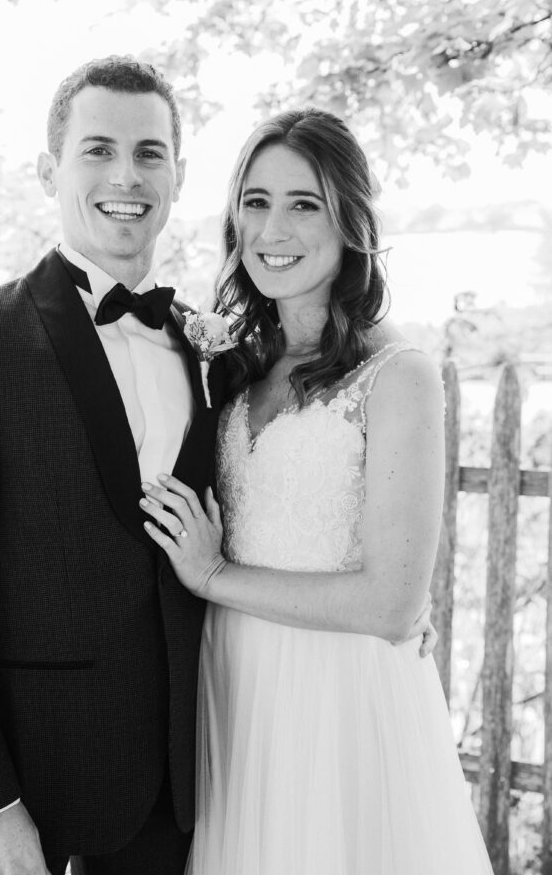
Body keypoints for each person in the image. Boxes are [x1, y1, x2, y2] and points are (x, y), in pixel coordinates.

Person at [0, 56, 227, 875]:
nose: (126, 175)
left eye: (149, 153)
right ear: (49, 171)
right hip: (19, 806)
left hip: (176, 804)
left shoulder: (209, 346)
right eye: (98, 150)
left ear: (177, 176)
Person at [140, 108, 495, 874]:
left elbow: (391, 604)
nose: (273, 228)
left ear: (349, 220)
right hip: (234, 691)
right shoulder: (232, 366)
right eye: (255, 201)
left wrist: (212, 577)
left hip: (341, 702)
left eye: (304, 204)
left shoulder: (398, 375)